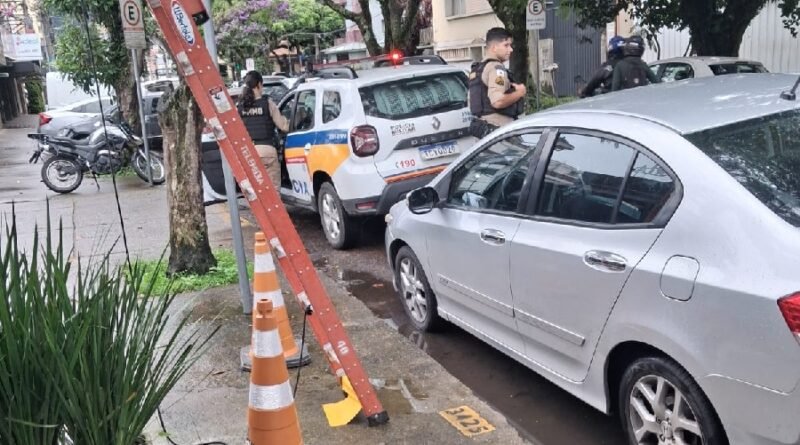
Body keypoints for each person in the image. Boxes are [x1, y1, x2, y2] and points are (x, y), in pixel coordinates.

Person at [468, 27, 527, 138]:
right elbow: (498, 101)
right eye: (506, 45)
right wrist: (520, 92)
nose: (511, 49)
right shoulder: (496, 68)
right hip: (499, 132)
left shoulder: (479, 68)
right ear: (494, 48)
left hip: (485, 131)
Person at [237, 70, 290, 187]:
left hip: (249, 153)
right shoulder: (267, 103)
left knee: (257, 193)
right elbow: (283, 126)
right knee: (273, 191)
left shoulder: (241, 106)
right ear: (259, 85)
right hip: (267, 151)